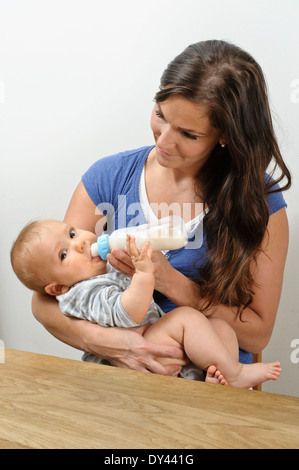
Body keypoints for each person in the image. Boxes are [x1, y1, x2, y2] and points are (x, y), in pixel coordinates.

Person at [31, 39, 291, 377]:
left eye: (188, 133)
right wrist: (116, 345)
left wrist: (170, 282)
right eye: (160, 115)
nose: (163, 140)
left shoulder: (261, 203)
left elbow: (258, 332)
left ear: (225, 135)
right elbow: (46, 299)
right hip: (124, 379)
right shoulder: (109, 177)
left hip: (212, 386)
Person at [11, 218, 281, 388]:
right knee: (186, 318)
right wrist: (143, 274)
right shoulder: (82, 293)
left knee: (221, 327)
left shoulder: (101, 269)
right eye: (64, 254)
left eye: (71, 234)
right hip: (133, 362)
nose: (80, 243)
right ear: (57, 287)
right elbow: (129, 312)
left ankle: (218, 379)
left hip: (157, 345)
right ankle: (234, 373)